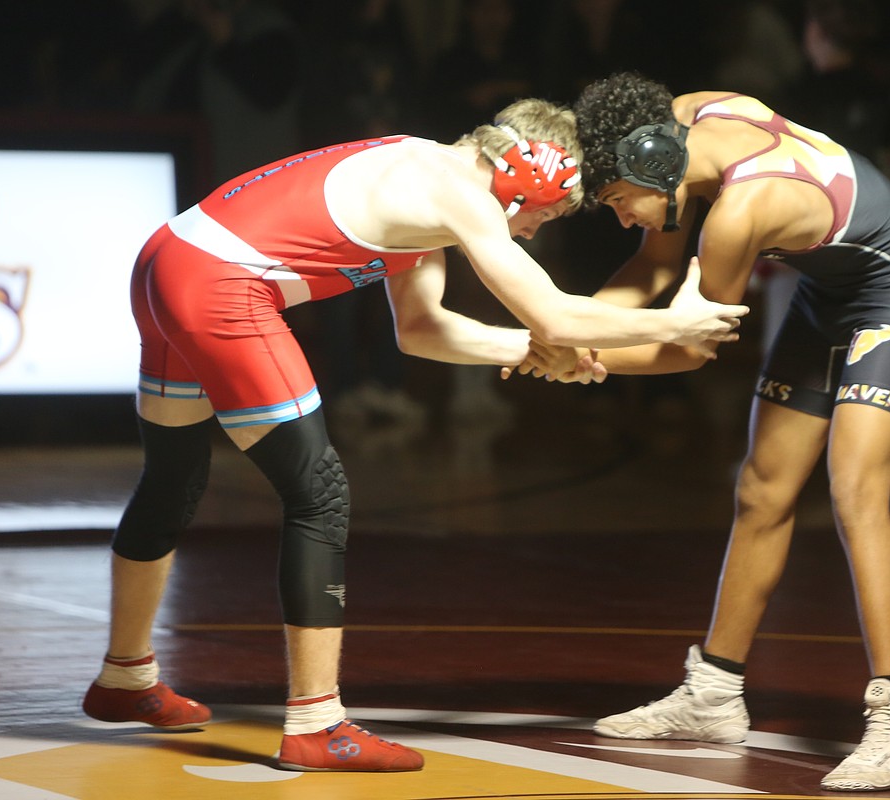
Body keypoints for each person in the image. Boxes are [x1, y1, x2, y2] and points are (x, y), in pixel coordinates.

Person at [80, 96, 749, 774]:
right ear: (534, 174)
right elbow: (557, 314)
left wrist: (527, 349)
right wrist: (675, 325)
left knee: (173, 478)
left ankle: (125, 678)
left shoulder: (425, 171)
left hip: (168, 263)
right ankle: (317, 723)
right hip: (222, 288)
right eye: (550, 213)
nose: (538, 232)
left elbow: (423, 330)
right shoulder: (459, 195)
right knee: (319, 495)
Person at [523, 72, 890, 791]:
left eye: (619, 202)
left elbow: (691, 347)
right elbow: (653, 263)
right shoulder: (676, 126)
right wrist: (564, 329)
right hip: (825, 289)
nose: (621, 219)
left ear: (651, 166)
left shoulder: (739, 214)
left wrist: (580, 359)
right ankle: (714, 693)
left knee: (855, 493)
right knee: (762, 490)